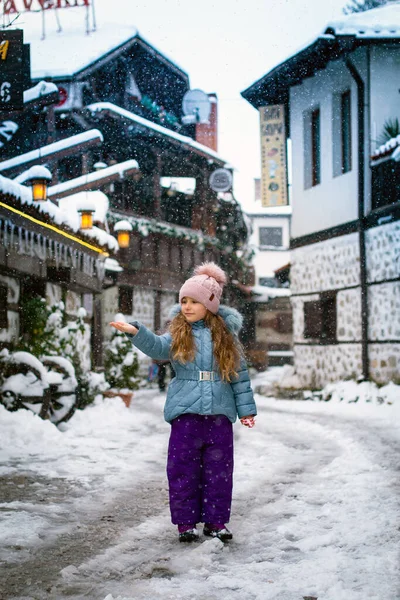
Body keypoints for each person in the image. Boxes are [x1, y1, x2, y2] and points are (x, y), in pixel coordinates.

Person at [110, 262, 257, 543]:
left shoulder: (226, 338)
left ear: (210, 304)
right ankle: (186, 523)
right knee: (182, 469)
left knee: (219, 472)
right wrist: (136, 332)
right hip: (185, 414)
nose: (187, 307)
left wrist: (247, 410)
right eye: (184, 301)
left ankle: (215, 522)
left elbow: (239, 376)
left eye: (194, 301)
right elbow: (157, 347)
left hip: (219, 415)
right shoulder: (178, 333)